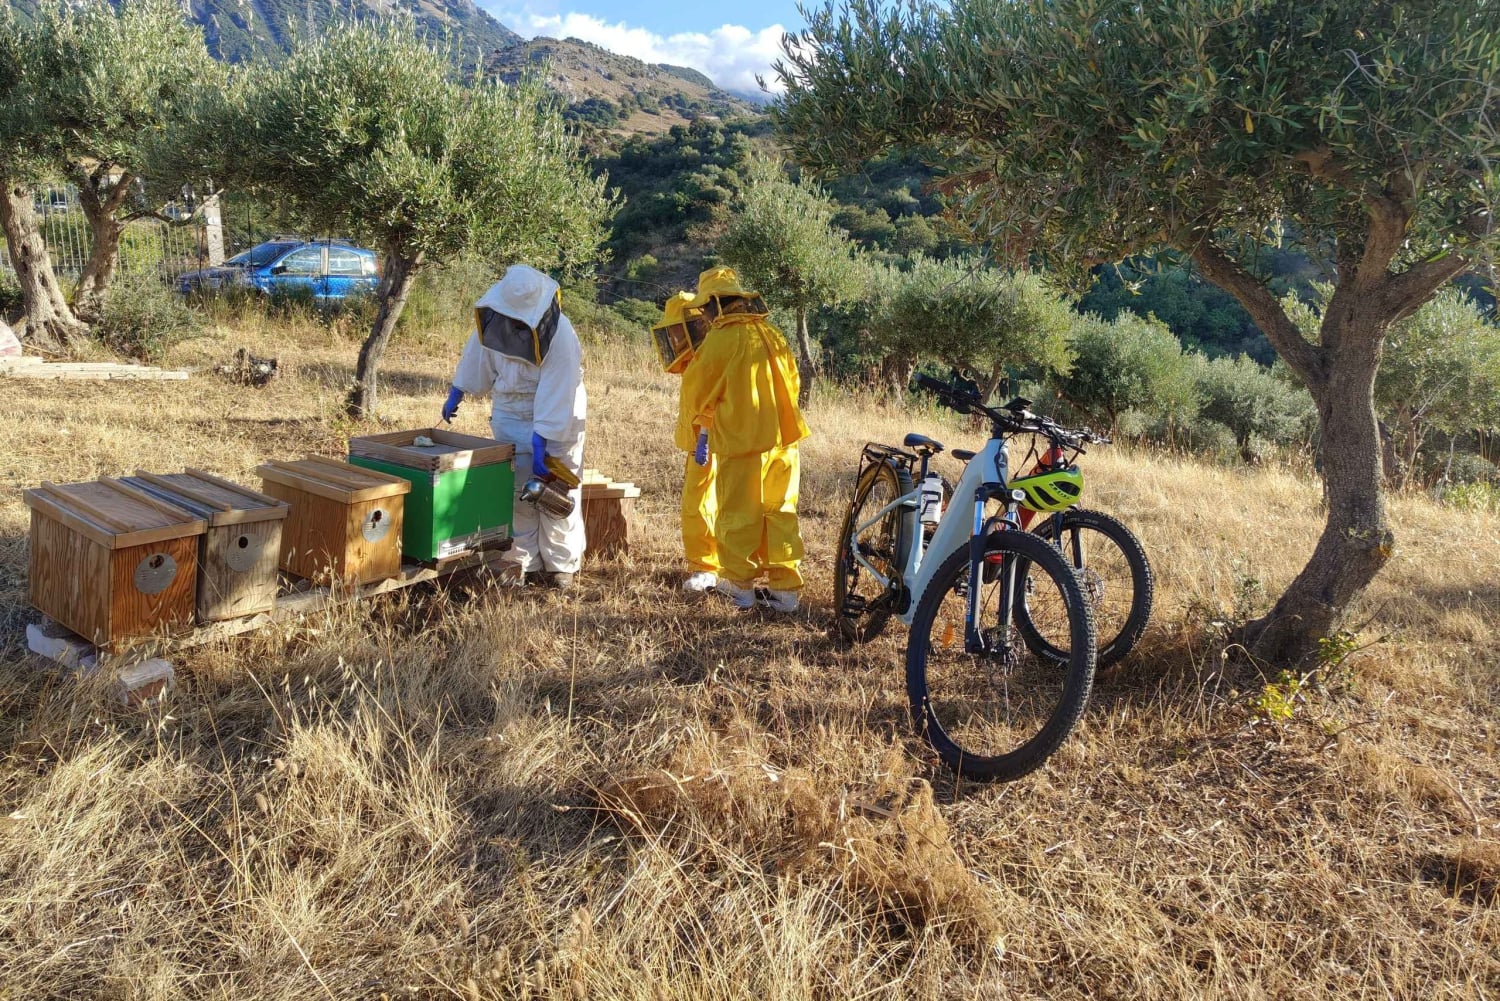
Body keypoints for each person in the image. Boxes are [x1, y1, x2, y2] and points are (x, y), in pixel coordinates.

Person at [442, 265, 586, 589]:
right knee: (518, 491)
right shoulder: (495, 320)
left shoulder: (561, 333)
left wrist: (541, 441)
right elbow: (475, 356)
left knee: (555, 493)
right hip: (509, 409)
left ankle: (560, 566)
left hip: (557, 414)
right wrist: (458, 390)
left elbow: (558, 390)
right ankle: (527, 563)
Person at [682, 267, 809, 612]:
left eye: (704, 309)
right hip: (785, 442)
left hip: (743, 442)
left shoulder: (721, 340)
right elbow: (794, 383)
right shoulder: (772, 333)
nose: (704, 316)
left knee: (739, 514)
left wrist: (697, 431)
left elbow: (697, 394)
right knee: (781, 511)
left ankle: (739, 587)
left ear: (714, 304)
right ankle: (785, 591)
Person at [652, 291, 719, 592]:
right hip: (701, 442)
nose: (675, 338)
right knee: (703, 502)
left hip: (715, 442)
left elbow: (716, 400)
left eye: (679, 331)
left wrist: (704, 434)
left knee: (700, 503)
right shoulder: (698, 357)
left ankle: (707, 567)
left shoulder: (712, 355)